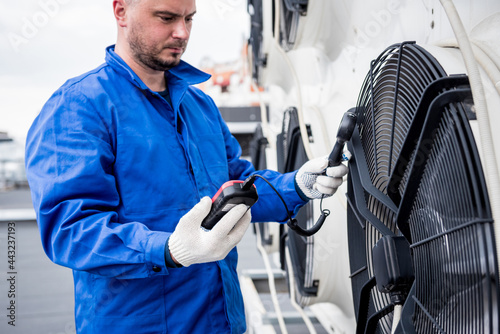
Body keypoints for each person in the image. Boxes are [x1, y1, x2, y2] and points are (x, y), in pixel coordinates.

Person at [24, 0, 349, 333]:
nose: (181, 32)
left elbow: (237, 186)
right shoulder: (79, 107)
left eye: (189, 19)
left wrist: (297, 185)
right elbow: (70, 230)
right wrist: (168, 250)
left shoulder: (200, 106)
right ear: (120, 11)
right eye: (166, 17)